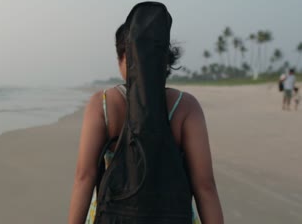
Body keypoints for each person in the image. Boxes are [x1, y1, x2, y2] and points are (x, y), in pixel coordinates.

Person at [68, 24, 224, 224]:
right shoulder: (186, 106)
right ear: (164, 59)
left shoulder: (104, 104)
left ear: (122, 59)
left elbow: (84, 177)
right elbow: (205, 186)